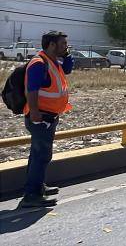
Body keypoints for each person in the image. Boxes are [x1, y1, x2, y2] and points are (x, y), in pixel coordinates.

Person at [19, 31, 73, 208]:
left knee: (38, 154)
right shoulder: (39, 63)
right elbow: (31, 90)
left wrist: (67, 55)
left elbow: (67, 69)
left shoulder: (52, 62)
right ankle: (32, 195)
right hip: (40, 117)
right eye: (63, 44)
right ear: (51, 45)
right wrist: (34, 112)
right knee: (41, 155)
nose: (66, 46)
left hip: (48, 116)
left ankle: (37, 186)